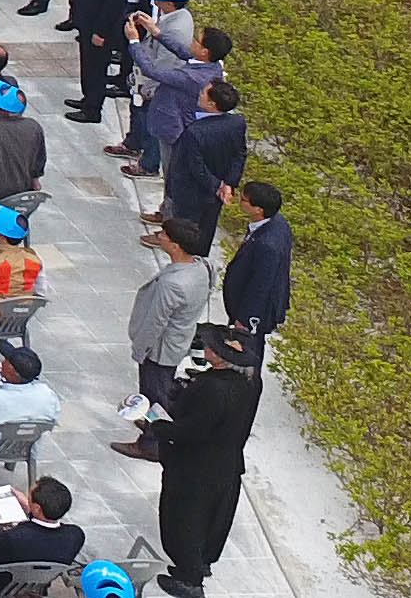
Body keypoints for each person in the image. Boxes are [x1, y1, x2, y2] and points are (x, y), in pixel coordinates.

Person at [147, 326, 264, 594]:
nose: (206, 348)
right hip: (226, 464)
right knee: (212, 520)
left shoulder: (214, 389)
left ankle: (190, 582)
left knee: (185, 521)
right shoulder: (251, 382)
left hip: (195, 468)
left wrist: (157, 427)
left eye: (211, 347)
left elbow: (192, 430)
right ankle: (198, 564)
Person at [124, 213, 215, 427]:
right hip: (179, 340)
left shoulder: (172, 284)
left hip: (160, 349)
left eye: (164, 235)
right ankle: (151, 426)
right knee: (159, 390)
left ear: (176, 246)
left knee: (154, 396)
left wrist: (140, 349)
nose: (159, 236)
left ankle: (153, 440)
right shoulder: (202, 267)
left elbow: (155, 322)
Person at [223, 181, 292, 361]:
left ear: (258, 210)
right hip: (247, 304)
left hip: (253, 313)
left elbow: (261, 286)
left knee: (246, 352)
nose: (240, 201)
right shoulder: (277, 222)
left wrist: (244, 320)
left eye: (244, 200)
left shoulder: (267, 244)